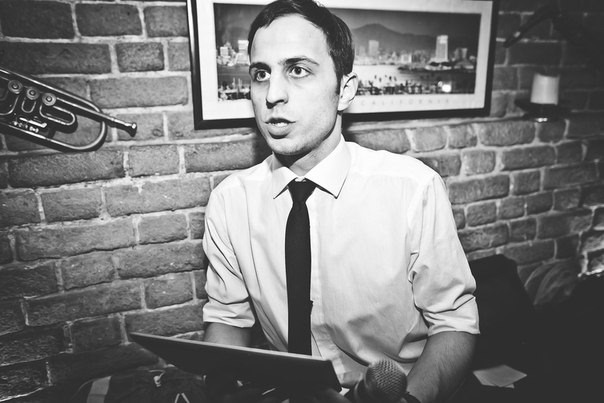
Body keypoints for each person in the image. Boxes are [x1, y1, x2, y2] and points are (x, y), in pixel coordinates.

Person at [201, 0, 479, 402]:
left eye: (298, 70)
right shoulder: (230, 202)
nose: (272, 95)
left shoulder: (412, 190)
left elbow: (454, 325)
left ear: (344, 90)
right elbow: (228, 319)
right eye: (261, 74)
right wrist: (219, 388)